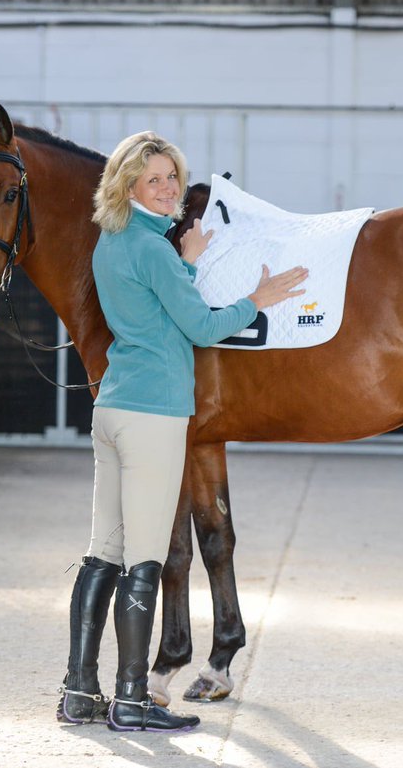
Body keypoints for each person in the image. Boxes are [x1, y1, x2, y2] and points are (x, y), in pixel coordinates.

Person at [57, 132, 308, 733]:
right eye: (156, 181)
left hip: (114, 409)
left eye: (173, 177)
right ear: (128, 187)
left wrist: (186, 259)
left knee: (103, 555)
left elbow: (151, 303)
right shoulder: (154, 251)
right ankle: (133, 698)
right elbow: (197, 325)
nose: (170, 188)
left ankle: (79, 690)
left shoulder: (115, 244)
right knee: (145, 558)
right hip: (155, 415)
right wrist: (259, 298)